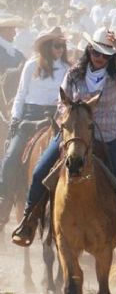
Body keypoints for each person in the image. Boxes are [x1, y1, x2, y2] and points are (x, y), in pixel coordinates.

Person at [11, 28, 116, 255]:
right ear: (89, 50)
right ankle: (29, 222)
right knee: (39, 172)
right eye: (96, 53)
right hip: (73, 134)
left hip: (107, 135)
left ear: (110, 57)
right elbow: (61, 103)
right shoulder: (74, 73)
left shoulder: (115, 76)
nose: (99, 58)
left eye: (105, 55)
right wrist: (76, 111)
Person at [0, 27, 69, 224]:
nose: (61, 49)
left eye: (62, 45)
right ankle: (4, 198)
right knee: (12, 155)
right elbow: (21, 94)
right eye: (57, 45)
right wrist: (15, 118)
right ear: (47, 46)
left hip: (55, 116)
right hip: (30, 115)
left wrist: (61, 114)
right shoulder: (31, 65)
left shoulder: (67, 69)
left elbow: (65, 96)